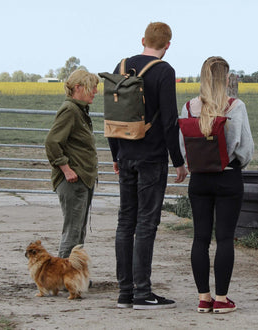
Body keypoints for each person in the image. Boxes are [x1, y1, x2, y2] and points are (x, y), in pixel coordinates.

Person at [108, 22, 188, 310]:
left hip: (125, 153)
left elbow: (112, 114)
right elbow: (169, 120)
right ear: (168, 45)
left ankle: (125, 292)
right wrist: (178, 161)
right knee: (146, 223)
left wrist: (116, 155)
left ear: (143, 39)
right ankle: (143, 292)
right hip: (152, 158)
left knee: (125, 221)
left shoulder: (121, 66)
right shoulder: (164, 71)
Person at [179, 56, 254, 313]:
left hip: (199, 178)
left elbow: (183, 145)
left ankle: (203, 298)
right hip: (228, 177)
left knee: (199, 238)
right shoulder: (235, 106)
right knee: (224, 238)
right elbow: (244, 148)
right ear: (226, 78)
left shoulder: (188, 107)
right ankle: (222, 300)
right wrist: (237, 162)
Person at [45, 69, 99, 259]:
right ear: (78, 87)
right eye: (92, 87)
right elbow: (52, 142)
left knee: (78, 230)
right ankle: (64, 277)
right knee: (73, 231)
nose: (95, 92)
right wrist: (66, 169)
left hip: (82, 179)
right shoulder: (70, 110)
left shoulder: (79, 110)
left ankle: (72, 274)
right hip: (73, 181)